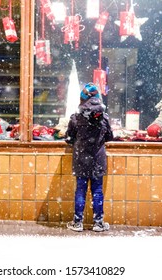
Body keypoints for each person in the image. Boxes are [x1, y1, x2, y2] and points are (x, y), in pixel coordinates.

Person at [65, 83, 114, 232]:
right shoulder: (104, 117)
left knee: (80, 190)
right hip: (97, 159)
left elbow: (69, 138)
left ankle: (78, 222)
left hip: (81, 159)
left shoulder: (76, 117)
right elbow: (110, 137)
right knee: (97, 190)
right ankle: (98, 223)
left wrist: (79, 141)